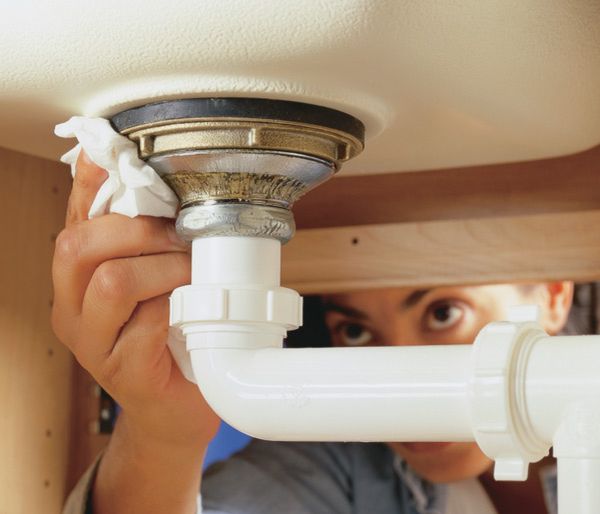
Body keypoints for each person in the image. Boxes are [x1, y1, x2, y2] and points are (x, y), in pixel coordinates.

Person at [55, 155, 573, 514]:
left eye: (443, 314)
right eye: (355, 330)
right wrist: (164, 431)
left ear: (553, 297)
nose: (392, 385)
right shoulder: (345, 462)